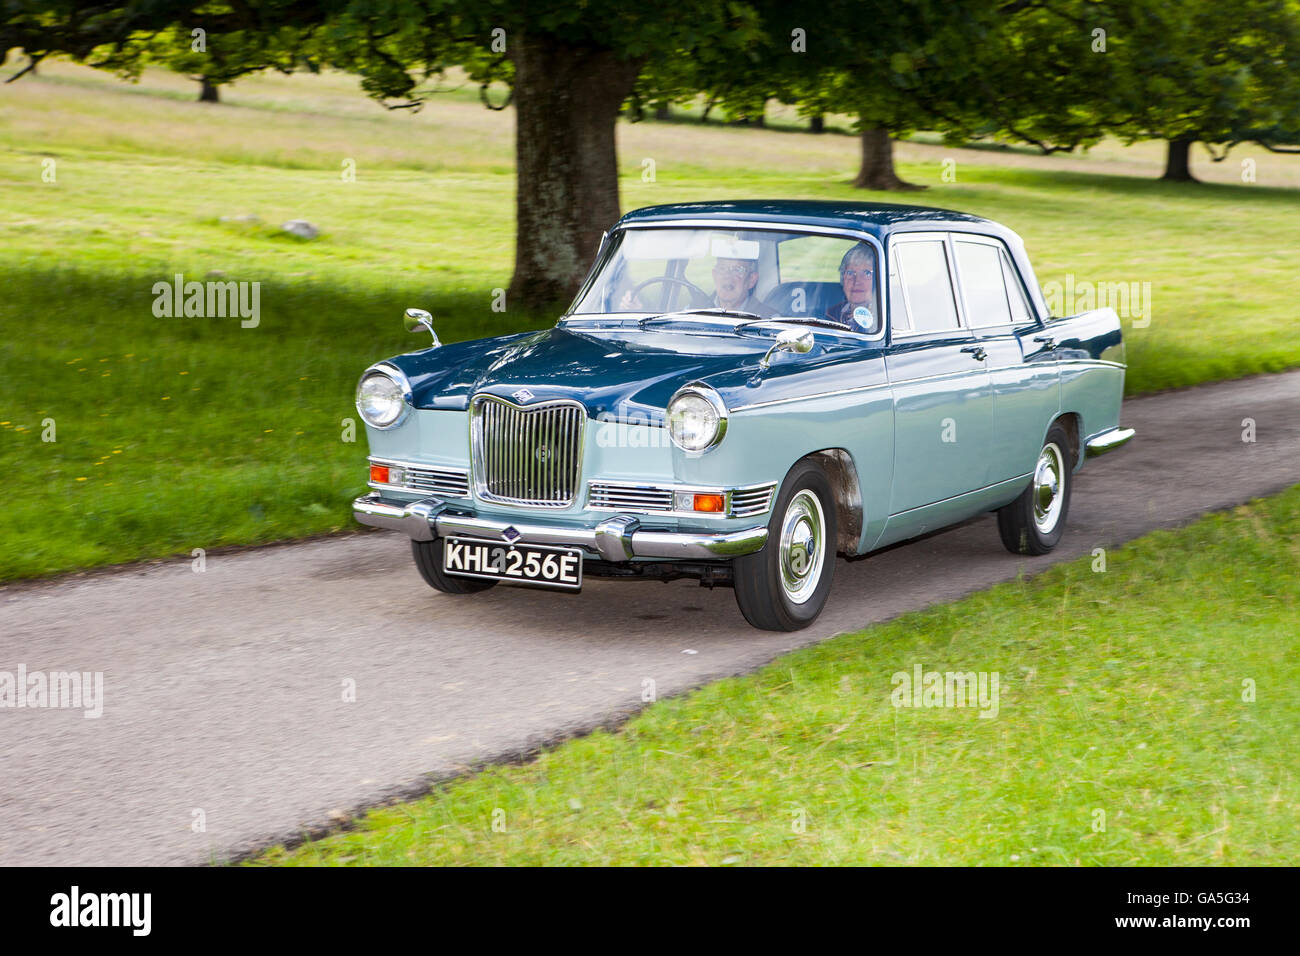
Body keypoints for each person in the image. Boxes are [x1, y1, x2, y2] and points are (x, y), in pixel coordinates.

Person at [824, 243, 879, 333]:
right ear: (842, 278)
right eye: (850, 273)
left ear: (878, 279)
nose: (857, 281)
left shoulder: (884, 318)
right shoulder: (832, 314)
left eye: (866, 273)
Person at [711, 257, 775, 317]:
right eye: (722, 268)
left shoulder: (768, 320)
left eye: (737, 270)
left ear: (751, 280)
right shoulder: (701, 310)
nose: (727, 276)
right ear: (714, 275)